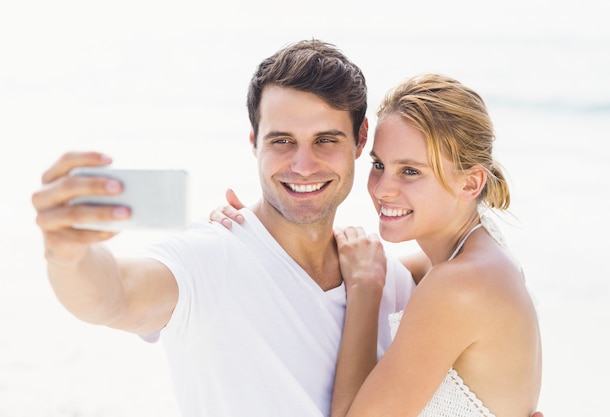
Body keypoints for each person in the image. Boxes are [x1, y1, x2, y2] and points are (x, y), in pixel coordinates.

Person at [31, 39, 416, 417]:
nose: (303, 165)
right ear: (254, 142)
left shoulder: (386, 281)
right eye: (282, 140)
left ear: (360, 138)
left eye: (325, 140)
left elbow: (461, 268)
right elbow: (111, 294)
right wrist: (66, 253)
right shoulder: (208, 258)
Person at [213, 74, 543, 417]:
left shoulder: (458, 286)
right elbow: (350, 258)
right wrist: (259, 229)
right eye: (379, 165)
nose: (383, 189)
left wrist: (365, 290)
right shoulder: (474, 254)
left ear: (471, 183)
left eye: (410, 172)